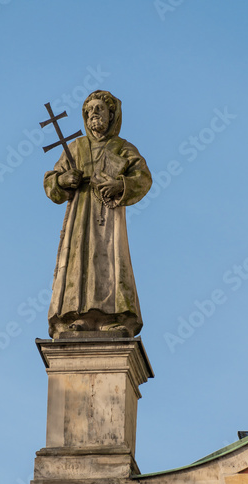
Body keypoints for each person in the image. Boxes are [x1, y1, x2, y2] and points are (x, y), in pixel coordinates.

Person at [44, 90, 152, 338]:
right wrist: (63, 179)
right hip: (80, 218)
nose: (94, 113)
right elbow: (51, 182)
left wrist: (120, 185)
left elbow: (143, 178)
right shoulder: (76, 147)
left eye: (99, 109)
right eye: (89, 110)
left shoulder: (122, 148)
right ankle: (79, 316)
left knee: (108, 261)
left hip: (109, 218)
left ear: (111, 115)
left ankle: (109, 317)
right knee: (78, 262)